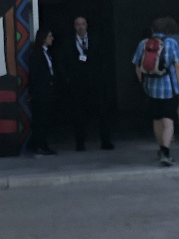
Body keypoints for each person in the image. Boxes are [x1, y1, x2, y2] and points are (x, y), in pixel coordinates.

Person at [132, 17, 179, 166]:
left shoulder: (143, 44)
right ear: (167, 30)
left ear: (152, 30)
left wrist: (143, 82)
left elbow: (137, 66)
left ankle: (161, 149)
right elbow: (178, 66)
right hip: (169, 88)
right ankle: (166, 152)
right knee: (168, 121)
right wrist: (178, 85)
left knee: (156, 120)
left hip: (151, 89)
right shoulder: (172, 43)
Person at [61, 13, 114, 151]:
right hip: (78, 83)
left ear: (87, 26)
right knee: (78, 113)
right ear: (74, 27)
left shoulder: (96, 40)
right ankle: (80, 143)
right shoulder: (68, 42)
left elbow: (103, 59)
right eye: (77, 25)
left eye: (82, 24)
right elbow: (64, 62)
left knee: (102, 111)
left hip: (96, 82)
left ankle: (106, 141)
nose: (80, 27)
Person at [27, 27, 57, 156]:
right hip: (41, 92)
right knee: (41, 119)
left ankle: (37, 143)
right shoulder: (37, 53)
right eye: (50, 36)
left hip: (47, 90)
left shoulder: (46, 52)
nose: (52, 39)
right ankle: (41, 144)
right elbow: (34, 74)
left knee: (44, 118)